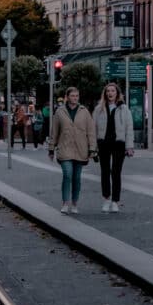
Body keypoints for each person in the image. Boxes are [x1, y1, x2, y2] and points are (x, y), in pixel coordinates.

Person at [48, 86, 96, 214]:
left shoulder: (84, 111)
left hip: (81, 149)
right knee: (67, 174)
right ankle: (65, 202)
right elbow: (54, 131)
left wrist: (92, 148)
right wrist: (51, 148)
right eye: (72, 96)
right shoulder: (60, 112)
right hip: (65, 148)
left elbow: (91, 131)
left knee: (77, 178)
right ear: (67, 97)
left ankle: (74, 203)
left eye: (77, 96)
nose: (75, 98)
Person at [93, 81, 134, 212]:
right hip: (103, 143)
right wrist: (93, 147)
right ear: (105, 94)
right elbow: (93, 129)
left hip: (118, 144)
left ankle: (115, 201)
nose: (110, 93)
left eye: (113, 91)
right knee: (105, 172)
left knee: (116, 172)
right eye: (108, 91)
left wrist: (129, 146)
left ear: (117, 93)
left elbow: (129, 128)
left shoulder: (124, 108)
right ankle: (106, 199)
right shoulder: (98, 109)